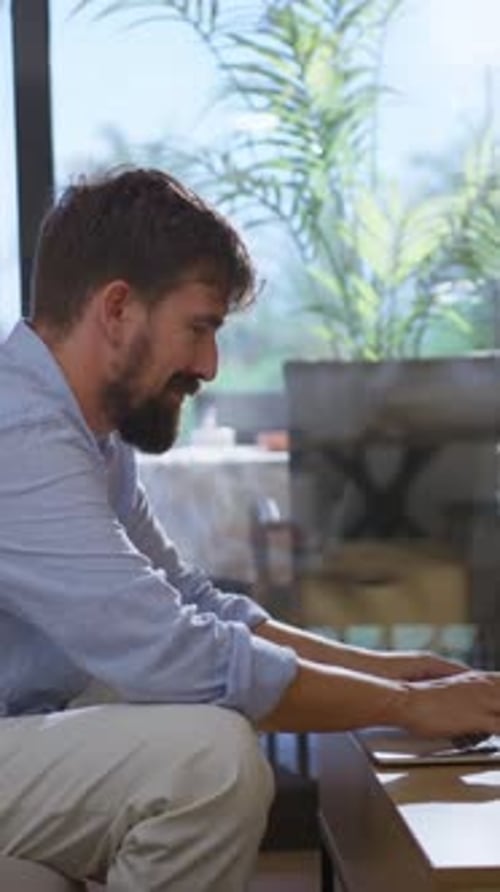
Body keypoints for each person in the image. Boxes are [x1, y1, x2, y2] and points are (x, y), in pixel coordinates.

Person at [0, 167, 499, 892]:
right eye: (199, 327)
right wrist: (404, 706)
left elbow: (190, 602)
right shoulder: (21, 432)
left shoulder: (89, 439)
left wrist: (388, 671)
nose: (209, 365)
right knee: (209, 762)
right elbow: (164, 649)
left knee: (189, 712)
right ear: (117, 309)